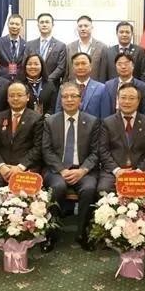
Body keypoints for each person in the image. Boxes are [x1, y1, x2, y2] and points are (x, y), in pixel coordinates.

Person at [42, 82, 100, 252]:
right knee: (57, 187)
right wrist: (62, 170)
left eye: (73, 96)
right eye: (65, 96)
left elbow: (96, 152)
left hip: (83, 170)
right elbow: (46, 150)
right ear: (60, 100)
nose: (69, 100)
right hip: (58, 170)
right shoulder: (51, 121)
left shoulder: (92, 121)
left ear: (80, 100)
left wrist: (82, 170)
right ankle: (51, 234)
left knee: (89, 189)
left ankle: (82, 233)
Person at [0, 83, 44, 199]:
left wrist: (20, 167)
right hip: (1, 169)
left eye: (19, 95)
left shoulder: (37, 119)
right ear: (7, 98)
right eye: (11, 95)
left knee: (25, 194)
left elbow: (38, 148)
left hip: (26, 169)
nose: (15, 98)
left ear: (27, 97)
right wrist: (1, 166)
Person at [97, 83, 145, 193]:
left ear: (138, 101)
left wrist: (139, 171)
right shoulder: (108, 122)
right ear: (118, 100)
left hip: (141, 171)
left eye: (131, 98)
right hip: (114, 172)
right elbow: (103, 151)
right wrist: (117, 171)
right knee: (104, 190)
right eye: (123, 98)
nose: (127, 102)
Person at [56, 52, 111, 119]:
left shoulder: (102, 88)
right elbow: (58, 114)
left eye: (84, 63)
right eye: (77, 64)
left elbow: (105, 116)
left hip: (94, 128)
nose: (80, 67)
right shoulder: (63, 87)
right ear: (72, 68)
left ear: (90, 66)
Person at [25, 13, 67, 87]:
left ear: (52, 25)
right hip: (31, 84)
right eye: (41, 22)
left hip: (52, 85)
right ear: (38, 25)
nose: (44, 25)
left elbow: (61, 67)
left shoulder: (60, 46)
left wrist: (47, 80)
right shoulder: (29, 45)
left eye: (47, 22)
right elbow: (25, 64)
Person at [64, 15, 108, 82]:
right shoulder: (69, 47)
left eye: (86, 26)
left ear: (92, 27)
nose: (83, 28)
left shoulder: (102, 47)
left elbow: (103, 73)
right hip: (73, 87)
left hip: (94, 88)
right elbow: (66, 72)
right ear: (77, 28)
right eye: (80, 26)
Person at [0, 13, 27, 81]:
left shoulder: (26, 44)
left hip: (20, 81)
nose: (14, 26)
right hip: (1, 79)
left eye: (17, 24)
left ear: (22, 26)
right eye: (12, 23)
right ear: (7, 24)